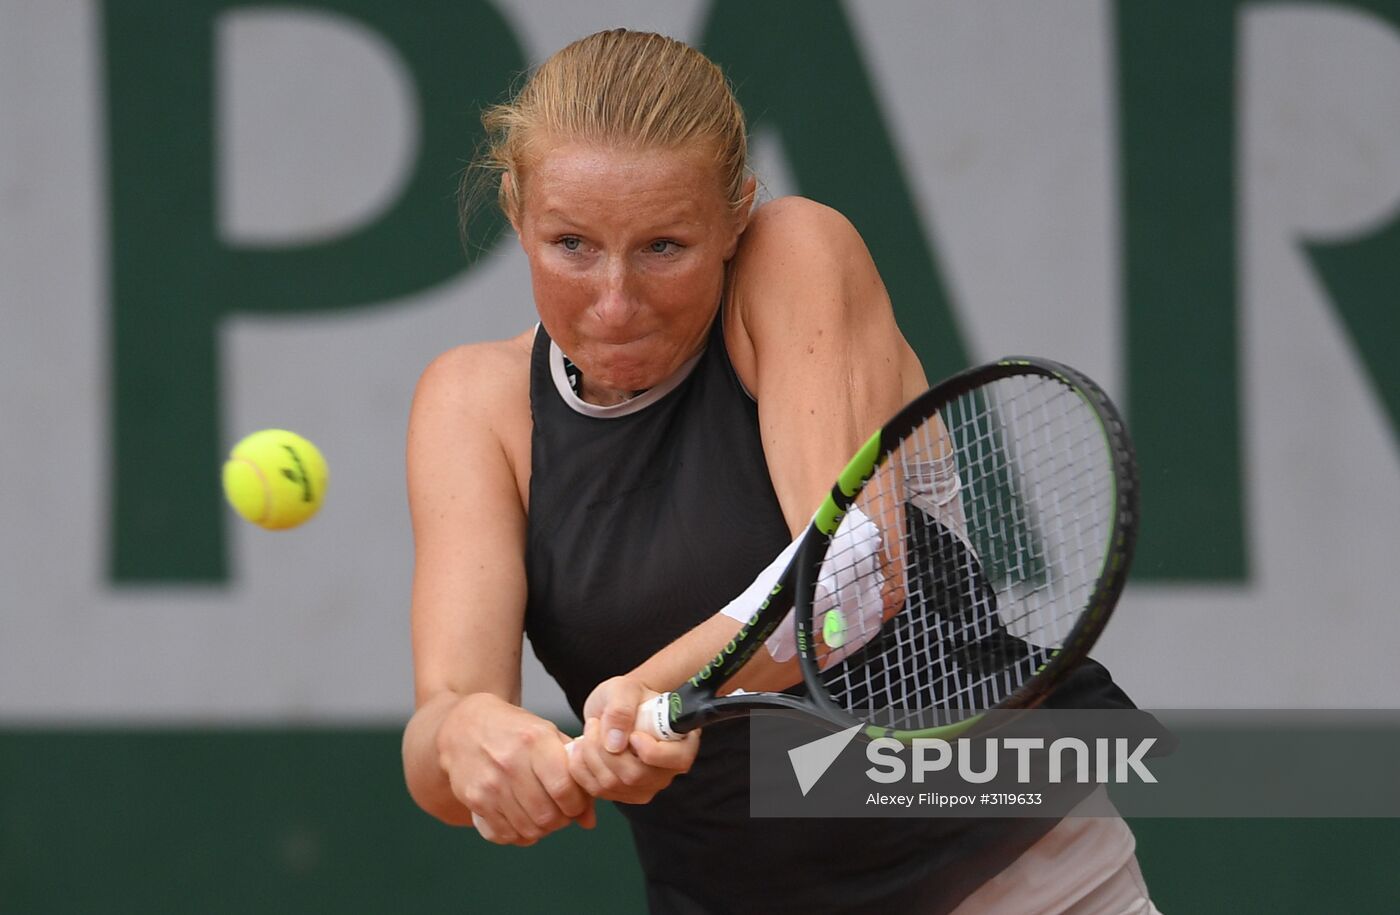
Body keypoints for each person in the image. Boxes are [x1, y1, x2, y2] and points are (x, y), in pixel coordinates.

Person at [401, 28, 1160, 914]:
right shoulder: (469, 404)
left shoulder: (796, 253)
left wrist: (645, 693)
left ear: (735, 216)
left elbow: (851, 574)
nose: (614, 301)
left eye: (664, 248)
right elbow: (439, 738)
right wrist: (470, 739)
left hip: (1019, 882)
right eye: (571, 244)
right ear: (516, 212)